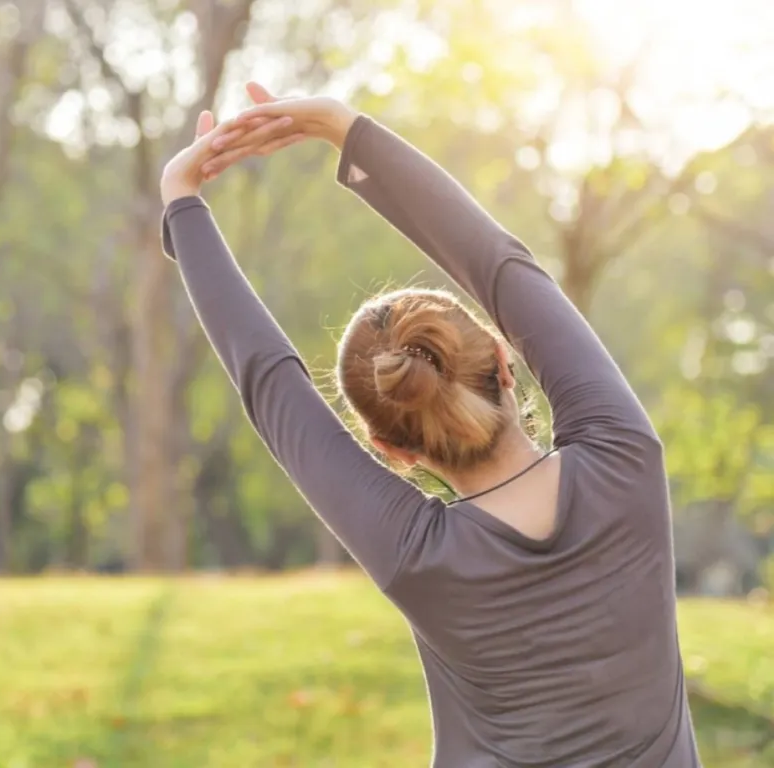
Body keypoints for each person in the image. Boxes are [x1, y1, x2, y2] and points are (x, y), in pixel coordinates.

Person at [158, 83, 701, 767]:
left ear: (387, 450)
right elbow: (501, 266)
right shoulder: (628, 458)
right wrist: (342, 128)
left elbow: (269, 386)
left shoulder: (416, 554)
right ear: (505, 359)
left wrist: (183, 199)